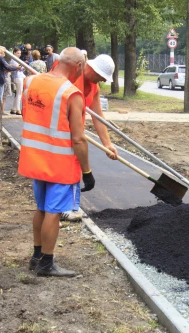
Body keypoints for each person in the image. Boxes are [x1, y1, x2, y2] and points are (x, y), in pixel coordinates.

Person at [18, 47, 94, 277]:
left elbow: (27, 115)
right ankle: (46, 264)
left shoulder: (30, 82)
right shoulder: (71, 94)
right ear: (79, 67)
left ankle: (36, 255)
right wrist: (87, 171)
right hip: (60, 163)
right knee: (53, 211)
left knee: (41, 208)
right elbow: (79, 139)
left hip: (34, 158)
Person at [60, 54, 119, 222]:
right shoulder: (72, 79)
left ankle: (66, 206)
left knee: (74, 164)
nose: (103, 80)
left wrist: (107, 144)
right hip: (62, 128)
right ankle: (66, 207)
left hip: (76, 128)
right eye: (101, 76)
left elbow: (98, 117)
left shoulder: (94, 87)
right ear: (91, 68)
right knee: (68, 167)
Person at [0, 46, 18, 115]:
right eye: (4, 52)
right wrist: (16, 67)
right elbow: (7, 67)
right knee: (0, 96)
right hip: (1, 79)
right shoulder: (0, 58)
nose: (5, 54)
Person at [10, 47, 25, 115]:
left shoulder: (15, 60)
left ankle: (14, 108)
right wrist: (21, 67)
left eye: (20, 53)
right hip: (18, 77)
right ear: (14, 53)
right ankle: (18, 109)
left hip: (18, 77)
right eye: (18, 53)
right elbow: (19, 68)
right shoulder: (14, 60)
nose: (19, 54)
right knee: (19, 93)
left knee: (18, 94)